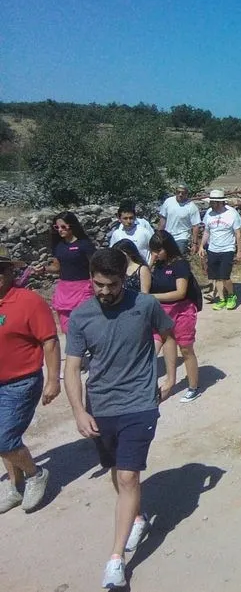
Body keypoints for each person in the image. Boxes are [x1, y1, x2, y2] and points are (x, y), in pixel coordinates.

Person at [63, 248, 175, 589]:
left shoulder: (145, 305)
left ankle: (116, 560)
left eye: (111, 285)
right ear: (91, 279)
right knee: (116, 468)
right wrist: (79, 411)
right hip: (101, 406)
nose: (105, 291)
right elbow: (72, 368)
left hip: (140, 403)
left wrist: (170, 377)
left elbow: (168, 335)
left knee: (127, 476)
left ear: (123, 279)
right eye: (98, 284)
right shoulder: (81, 316)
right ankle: (137, 516)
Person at [0, 248, 60, 514]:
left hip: (20, 383)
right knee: (5, 436)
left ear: (10, 271)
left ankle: (36, 474)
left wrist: (53, 380)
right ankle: (16, 486)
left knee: (4, 438)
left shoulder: (29, 301)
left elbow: (50, 341)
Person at [148, 231, 202, 403]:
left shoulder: (180, 265)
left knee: (185, 348)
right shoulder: (156, 266)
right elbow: (145, 283)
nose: (156, 254)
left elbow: (180, 292)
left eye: (158, 250)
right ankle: (169, 382)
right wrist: (150, 263)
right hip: (162, 312)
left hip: (182, 310)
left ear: (168, 248)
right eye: (153, 250)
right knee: (162, 346)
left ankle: (193, 386)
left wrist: (153, 297)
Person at [47, 211, 96, 336]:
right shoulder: (58, 246)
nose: (60, 230)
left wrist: (94, 285)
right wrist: (43, 269)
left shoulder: (85, 245)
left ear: (72, 225)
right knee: (67, 328)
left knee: (85, 325)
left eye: (63, 226)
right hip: (64, 290)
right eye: (57, 227)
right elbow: (57, 268)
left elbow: (95, 266)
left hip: (83, 289)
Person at [199, 189, 241, 310]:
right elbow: (207, 231)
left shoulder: (232, 213)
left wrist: (239, 251)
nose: (211, 204)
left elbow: (238, 233)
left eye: (213, 202)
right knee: (216, 277)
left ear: (220, 202)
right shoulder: (209, 213)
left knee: (225, 276)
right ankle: (221, 299)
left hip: (227, 249)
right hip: (213, 249)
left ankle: (231, 295)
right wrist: (201, 246)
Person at [157, 183, 201, 255]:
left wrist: (194, 243)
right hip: (167, 235)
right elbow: (163, 220)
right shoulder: (168, 202)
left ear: (186, 194)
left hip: (182, 236)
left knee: (178, 255)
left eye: (183, 193)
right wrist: (158, 235)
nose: (180, 194)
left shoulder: (191, 207)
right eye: (178, 192)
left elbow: (195, 226)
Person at [109, 201, 155, 265]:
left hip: (143, 267)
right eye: (125, 218)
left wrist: (150, 266)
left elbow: (154, 251)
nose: (129, 221)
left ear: (135, 217)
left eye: (131, 218)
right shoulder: (116, 234)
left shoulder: (144, 232)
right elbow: (113, 253)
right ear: (119, 219)